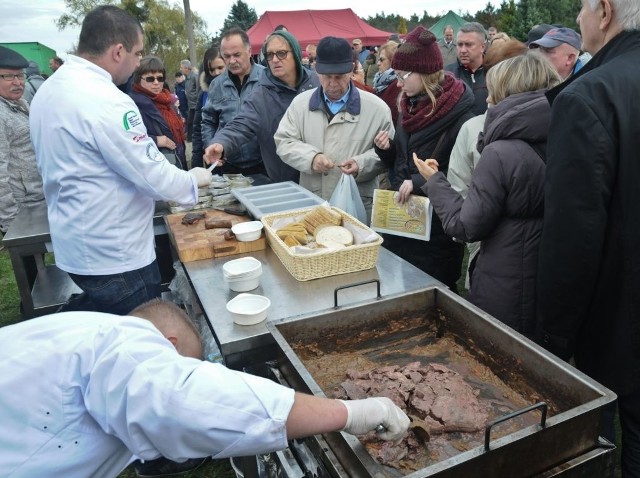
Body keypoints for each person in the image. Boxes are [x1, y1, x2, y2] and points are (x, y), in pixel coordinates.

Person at [0, 299, 409, 476]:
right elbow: (186, 401)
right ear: (169, 344)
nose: (184, 372)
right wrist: (351, 413)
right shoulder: (121, 343)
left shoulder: (75, 329)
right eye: (187, 365)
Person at [29, 5, 212, 316]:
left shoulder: (50, 90)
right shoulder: (108, 101)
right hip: (116, 253)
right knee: (139, 333)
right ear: (117, 51)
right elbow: (152, 175)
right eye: (137, 53)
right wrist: (193, 179)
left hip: (77, 243)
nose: (138, 61)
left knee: (103, 321)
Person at [535, 1, 640, 475]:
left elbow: (571, 239)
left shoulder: (590, 96)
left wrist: (553, 342)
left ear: (603, 10)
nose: (577, 19)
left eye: (580, 7)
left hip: (619, 321)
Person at [413, 53, 561, 336]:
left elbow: (466, 225)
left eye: (493, 91)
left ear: (506, 92)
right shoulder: (567, 133)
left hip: (506, 283)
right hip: (552, 275)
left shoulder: (499, 153)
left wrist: (434, 182)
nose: (488, 99)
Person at [373, 26, 475, 291]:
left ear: (425, 72)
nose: (397, 83)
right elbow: (406, 157)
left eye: (402, 75)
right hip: (404, 218)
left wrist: (418, 182)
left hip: (437, 225)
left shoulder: (460, 112)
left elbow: (460, 170)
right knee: (398, 287)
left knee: (433, 295)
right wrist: (387, 149)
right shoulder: (409, 103)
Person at [274, 36, 392, 222]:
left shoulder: (377, 109)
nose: (333, 83)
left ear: (352, 70)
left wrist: (360, 164)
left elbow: (388, 154)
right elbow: (284, 142)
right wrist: (311, 158)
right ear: (316, 71)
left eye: (339, 77)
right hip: (313, 204)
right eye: (327, 77)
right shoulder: (300, 105)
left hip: (358, 206)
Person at [446, 39, 528, 288]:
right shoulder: (473, 128)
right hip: (505, 251)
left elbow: (459, 197)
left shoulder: (476, 130)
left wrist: (434, 184)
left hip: (491, 251)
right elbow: (459, 185)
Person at [204, 30, 320, 183]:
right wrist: (220, 143)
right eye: (270, 55)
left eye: (282, 53)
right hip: (282, 178)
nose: (275, 59)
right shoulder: (262, 93)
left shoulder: (317, 84)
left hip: (319, 173)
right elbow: (241, 123)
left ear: (296, 54)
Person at [201, 28, 266, 176]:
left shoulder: (267, 79)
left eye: (237, 55)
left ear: (249, 52)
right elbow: (208, 121)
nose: (232, 61)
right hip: (228, 165)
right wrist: (212, 145)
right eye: (227, 56)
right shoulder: (216, 85)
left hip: (263, 164)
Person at [0, 46, 45, 235]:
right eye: (9, 76)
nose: (18, 82)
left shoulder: (19, 104)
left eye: (20, 76)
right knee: (30, 263)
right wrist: (10, 221)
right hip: (20, 208)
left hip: (36, 199)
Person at [129, 56, 187, 170]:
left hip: (177, 163)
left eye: (160, 78)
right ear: (138, 79)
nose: (156, 83)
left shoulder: (168, 101)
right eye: (150, 79)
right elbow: (127, 139)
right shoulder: (132, 104)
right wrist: (155, 140)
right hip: (153, 168)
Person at [191, 47, 225, 168]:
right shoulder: (204, 94)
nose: (216, 73)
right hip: (213, 157)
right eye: (212, 69)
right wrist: (196, 160)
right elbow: (197, 128)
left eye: (220, 68)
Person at [446, 22, 489, 115]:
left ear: (483, 47)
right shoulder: (447, 75)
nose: (463, 50)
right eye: (460, 44)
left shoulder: (496, 73)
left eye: (468, 44)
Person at [373, 41, 402, 126]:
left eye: (382, 59)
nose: (378, 63)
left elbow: (394, 117)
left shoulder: (397, 84)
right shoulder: (382, 82)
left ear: (393, 60)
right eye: (378, 59)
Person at [180, 59, 198, 141]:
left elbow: (199, 91)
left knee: (194, 123)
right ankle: (190, 139)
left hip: (196, 105)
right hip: (190, 105)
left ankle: (192, 139)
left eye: (182, 67)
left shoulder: (194, 76)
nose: (180, 69)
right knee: (190, 122)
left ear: (186, 68)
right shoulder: (186, 78)